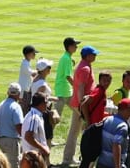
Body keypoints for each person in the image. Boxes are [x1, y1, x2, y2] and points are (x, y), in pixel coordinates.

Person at [57, 37, 81, 166]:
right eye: (75, 45)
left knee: (78, 118)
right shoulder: (66, 58)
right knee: (80, 116)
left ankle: (68, 157)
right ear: (69, 47)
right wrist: (78, 88)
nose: (76, 48)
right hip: (65, 94)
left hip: (64, 93)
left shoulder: (66, 58)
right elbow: (68, 76)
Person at [0, 83, 24, 168]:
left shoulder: (1, 104)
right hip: (12, 141)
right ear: (19, 94)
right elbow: (19, 126)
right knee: (13, 165)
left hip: (1, 140)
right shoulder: (16, 106)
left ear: (8, 92)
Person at [98, 98, 130, 168]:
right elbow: (116, 145)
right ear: (126, 110)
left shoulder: (107, 119)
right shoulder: (122, 126)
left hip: (101, 162)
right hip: (112, 164)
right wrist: (118, 166)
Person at [22, 95, 50, 164]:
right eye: (46, 102)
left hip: (35, 156)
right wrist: (43, 149)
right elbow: (28, 137)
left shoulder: (36, 115)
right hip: (33, 158)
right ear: (40, 104)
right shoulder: (34, 117)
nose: (47, 104)